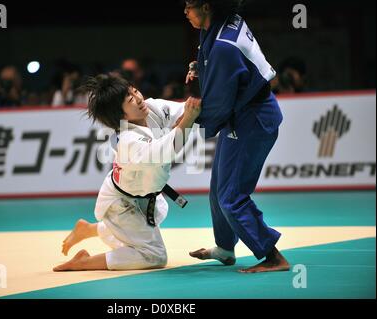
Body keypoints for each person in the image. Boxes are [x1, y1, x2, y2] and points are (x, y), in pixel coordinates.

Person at [53, 73, 201, 271]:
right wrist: (187, 121)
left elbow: (187, 109)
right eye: (130, 99)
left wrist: (199, 97)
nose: (139, 98)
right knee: (154, 256)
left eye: (135, 91)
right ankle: (84, 262)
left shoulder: (153, 108)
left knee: (158, 214)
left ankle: (89, 229)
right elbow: (164, 152)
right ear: (120, 115)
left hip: (142, 195)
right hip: (120, 204)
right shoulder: (128, 141)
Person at [184, 0, 290, 273]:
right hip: (244, 113)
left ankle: (272, 255)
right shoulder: (222, 23)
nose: (185, 12)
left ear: (206, 6)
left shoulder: (223, 46)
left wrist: (190, 123)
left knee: (231, 195)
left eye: (189, 6)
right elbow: (221, 65)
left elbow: (219, 103)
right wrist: (198, 67)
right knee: (217, 186)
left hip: (253, 120)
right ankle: (225, 248)